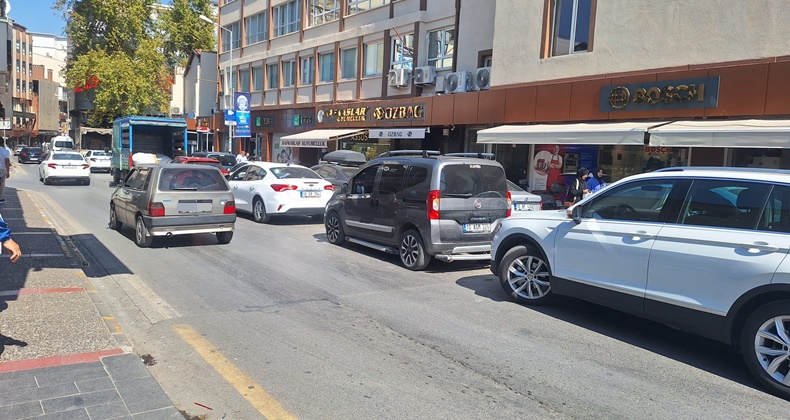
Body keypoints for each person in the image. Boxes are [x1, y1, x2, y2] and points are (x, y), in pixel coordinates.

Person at [0, 138, 10, 204]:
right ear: (2, 143)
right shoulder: (6, 151)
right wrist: (8, 172)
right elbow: (7, 162)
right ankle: (0, 198)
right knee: (2, 185)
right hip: (2, 170)